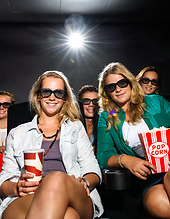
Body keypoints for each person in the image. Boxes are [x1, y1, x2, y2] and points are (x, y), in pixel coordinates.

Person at [0, 71, 103, 219]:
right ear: (38, 96)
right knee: (69, 216)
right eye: (46, 92)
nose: (52, 97)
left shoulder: (76, 127)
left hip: (75, 196)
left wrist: (85, 181)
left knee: (56, 179)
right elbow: (3, 181)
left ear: (65, 98)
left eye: (59, 93)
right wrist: (16, 187)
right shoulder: (17, 133)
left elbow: (92, 169)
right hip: (26, 198)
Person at [97, 62, 170, 218]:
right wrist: (126, 160)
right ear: (107, 92)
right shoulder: (107, 117)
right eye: (111, 87)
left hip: (169, 170)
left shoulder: (155, 102)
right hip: (149, 180)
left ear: (130, 82)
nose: (118, 89)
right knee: (156, 202)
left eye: (122, 83)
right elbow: (103, 155)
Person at [78, 85, 99, 154]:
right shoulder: (73, 125)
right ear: (80, 104)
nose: (91, 104)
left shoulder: (105, 124)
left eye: (95, 101)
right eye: (86, 101)